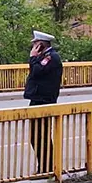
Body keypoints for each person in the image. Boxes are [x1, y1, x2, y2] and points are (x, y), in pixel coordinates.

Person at [23, 30, 63, 174]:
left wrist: (32, 58)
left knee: (42, 136)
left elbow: (36, 72)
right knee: (36, 136)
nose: (32, 47)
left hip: (44, 101)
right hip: (37, 99)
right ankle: (44, 166)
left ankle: (47, 167)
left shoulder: (51, 57)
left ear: (40, 45)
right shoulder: (44, 57)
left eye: (35, 44)